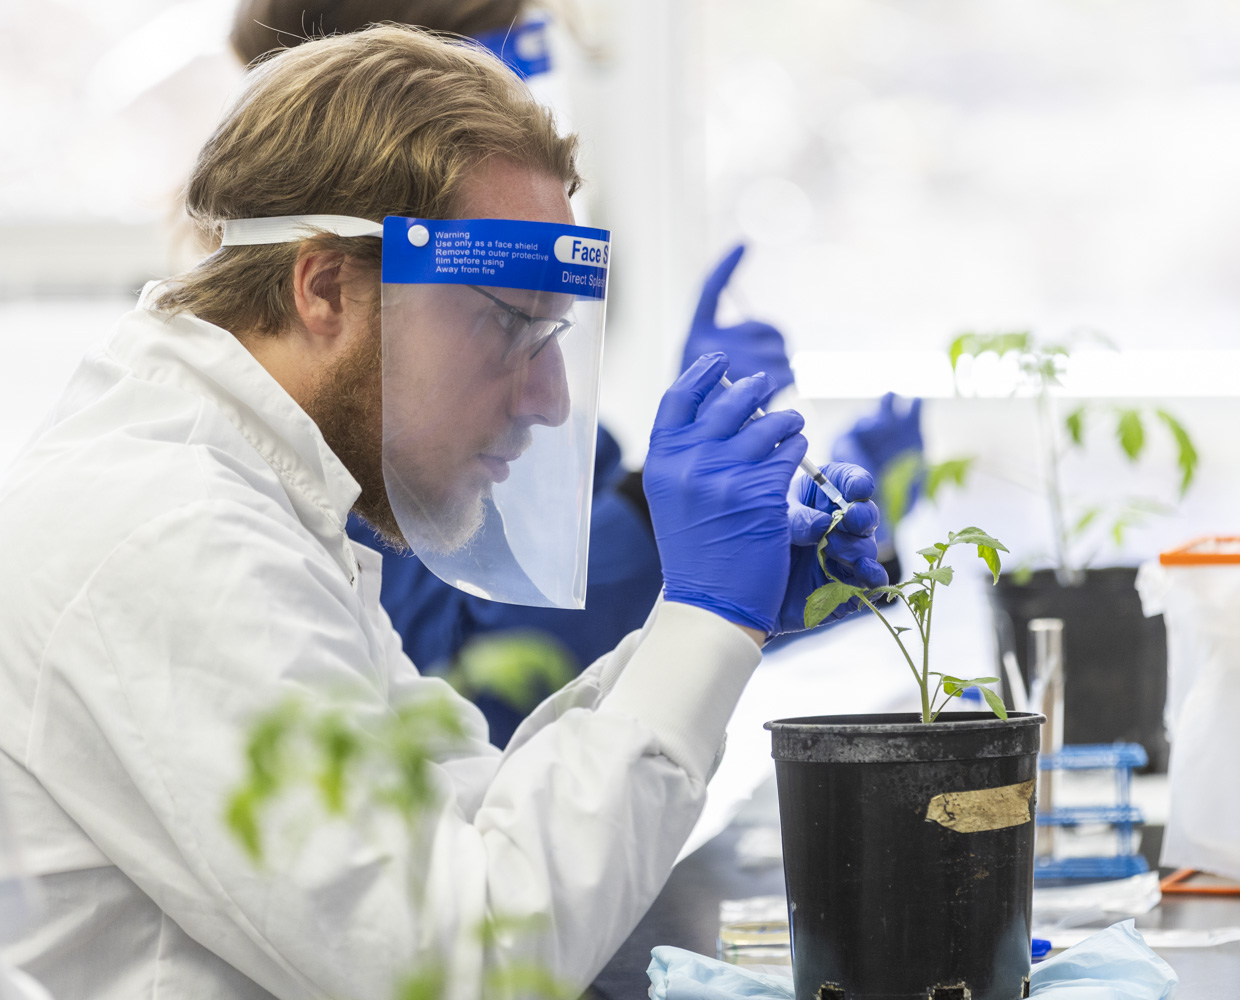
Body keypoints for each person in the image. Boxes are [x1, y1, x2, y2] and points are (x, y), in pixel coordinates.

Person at [0, 26, 883, 998]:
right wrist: (704, 617)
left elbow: (474, 814)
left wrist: (708, 630)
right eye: (508, 321)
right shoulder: (168, 534)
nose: (549, 397)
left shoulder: (262, 497)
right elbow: (470, 964)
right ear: (326, 287)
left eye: (555, 335)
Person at [232, 1, 802, 743]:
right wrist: (666, 547)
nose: (516, 95)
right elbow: (461, 684)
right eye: (486, 63)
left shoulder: (450, 371)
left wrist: (750, 588)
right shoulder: (330, 383)